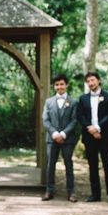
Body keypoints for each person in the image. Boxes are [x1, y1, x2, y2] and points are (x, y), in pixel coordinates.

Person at [77, 72, 108, 205]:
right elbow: (80, 116)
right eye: (88, 81)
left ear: (98, 81)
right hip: (89, 136)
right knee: (92, 165)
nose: (90, 83)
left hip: (105, 135)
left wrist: (98, 127)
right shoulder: (83, 98)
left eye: (93, 80)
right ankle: (95, 194)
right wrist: (90, 128)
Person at [42, 74, 78, 202]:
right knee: (50, 165)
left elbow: (74, 121)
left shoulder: (73, 102)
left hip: (67, 139)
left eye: (62, 84)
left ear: (66, 85)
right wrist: (54, 133)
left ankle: (71, 192)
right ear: (54, 86)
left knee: (69, 164)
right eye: (57, 84)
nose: (59, 87)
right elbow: (45, 120)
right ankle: (49, 190)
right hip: (52, 139)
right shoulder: (48, 102)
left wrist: (63, 134)